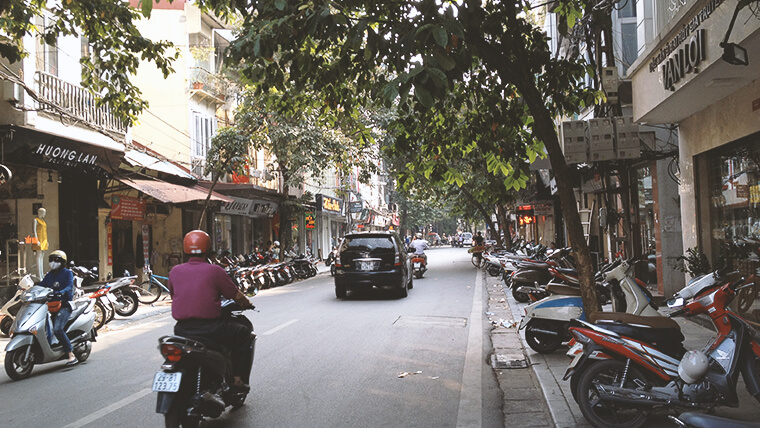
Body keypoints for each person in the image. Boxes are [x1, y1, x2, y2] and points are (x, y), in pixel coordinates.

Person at [168, 230, 255, 390]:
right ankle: (237, 380)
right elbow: (236, 295)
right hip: (211, 329)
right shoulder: (215, 271)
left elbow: (173, 294)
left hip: (181, 330)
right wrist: (247, 303)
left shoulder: (175, 271)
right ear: (208, 249)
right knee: (244, 335)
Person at [39, 250, 78, 366]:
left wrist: (61, 292)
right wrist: (30, 289)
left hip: (64, 305)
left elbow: (69, 286)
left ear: (62, 262)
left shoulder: (67, 273)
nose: (53, 263)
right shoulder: (49, 275)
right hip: (50, 306)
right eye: (51, 260)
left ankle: (71, 354)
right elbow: (41, 285)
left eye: (56, 260)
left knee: (58, 329)